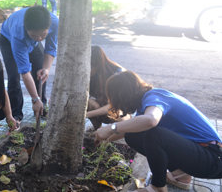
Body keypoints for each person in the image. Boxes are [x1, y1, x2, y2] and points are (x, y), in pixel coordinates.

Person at [94, 71, 222, 192]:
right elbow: (128, 129)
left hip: (214, 158)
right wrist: (106, 139)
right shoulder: (146, 104)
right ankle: (180, 176)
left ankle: (158, 187)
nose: (119, 106)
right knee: (133, 135)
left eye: (117, 101)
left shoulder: (154, 96)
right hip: (205, 155)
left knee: (154, 135)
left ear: (123, 96)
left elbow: (151, 120)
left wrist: (111, 127)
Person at [0, 6, 59, 122]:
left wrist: (46, 69)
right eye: (34, 36)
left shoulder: (54, 23)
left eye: (43, 35)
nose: (40, 39)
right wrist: (34, 99)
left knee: (40, 72)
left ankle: (41, 107)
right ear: (27, 29)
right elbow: (24, 71)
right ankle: (16, 114)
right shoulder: (18, 33)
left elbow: (50, 49)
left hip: (28, 40)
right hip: (8, 38)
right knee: (14, 76)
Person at [86, 45, 129, 129]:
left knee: (120, 118)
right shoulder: (92, 74)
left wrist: (86, 115)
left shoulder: (117, 74)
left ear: (97, 65)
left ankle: (115, 134)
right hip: (102, 107)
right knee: (86, 102)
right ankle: (97, 130)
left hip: (118, 110)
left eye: (89, 66)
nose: (86, 69)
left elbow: (114, 105)